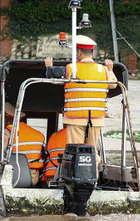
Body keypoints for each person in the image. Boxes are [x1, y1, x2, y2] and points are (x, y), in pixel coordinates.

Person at [44, 35, 117, 165]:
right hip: (96, 119)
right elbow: (113, 85)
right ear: (93, 53)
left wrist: (49, 67)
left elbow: (54, 81)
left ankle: (75, 180)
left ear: (78, 52)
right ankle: (92, 180)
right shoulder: (103, 70)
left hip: (75, 118)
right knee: (92, 151)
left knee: (75, 150)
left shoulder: (71, 69)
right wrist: (110, 70)